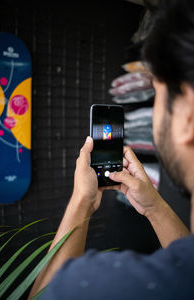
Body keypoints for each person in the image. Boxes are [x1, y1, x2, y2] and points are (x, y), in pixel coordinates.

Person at [29, 0, 194, 299]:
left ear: (188, 115)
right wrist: (154, 207)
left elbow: (42, 295)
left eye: (156, 92)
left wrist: (82, 201)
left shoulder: (100, 285)